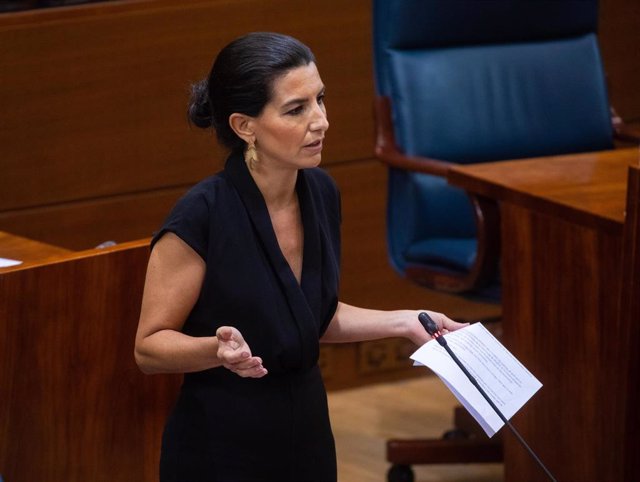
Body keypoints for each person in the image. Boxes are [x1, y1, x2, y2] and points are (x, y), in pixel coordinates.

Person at [134, 31, 466, 482]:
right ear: (244, 126)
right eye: (296, 109)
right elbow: (149, 347)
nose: (321, 120)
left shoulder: (321, 193)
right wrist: (216, 350)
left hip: (306, 428)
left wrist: (406, 321)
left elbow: (310, 316)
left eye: (320, 99)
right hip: (221, 441)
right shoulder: (202, 214)